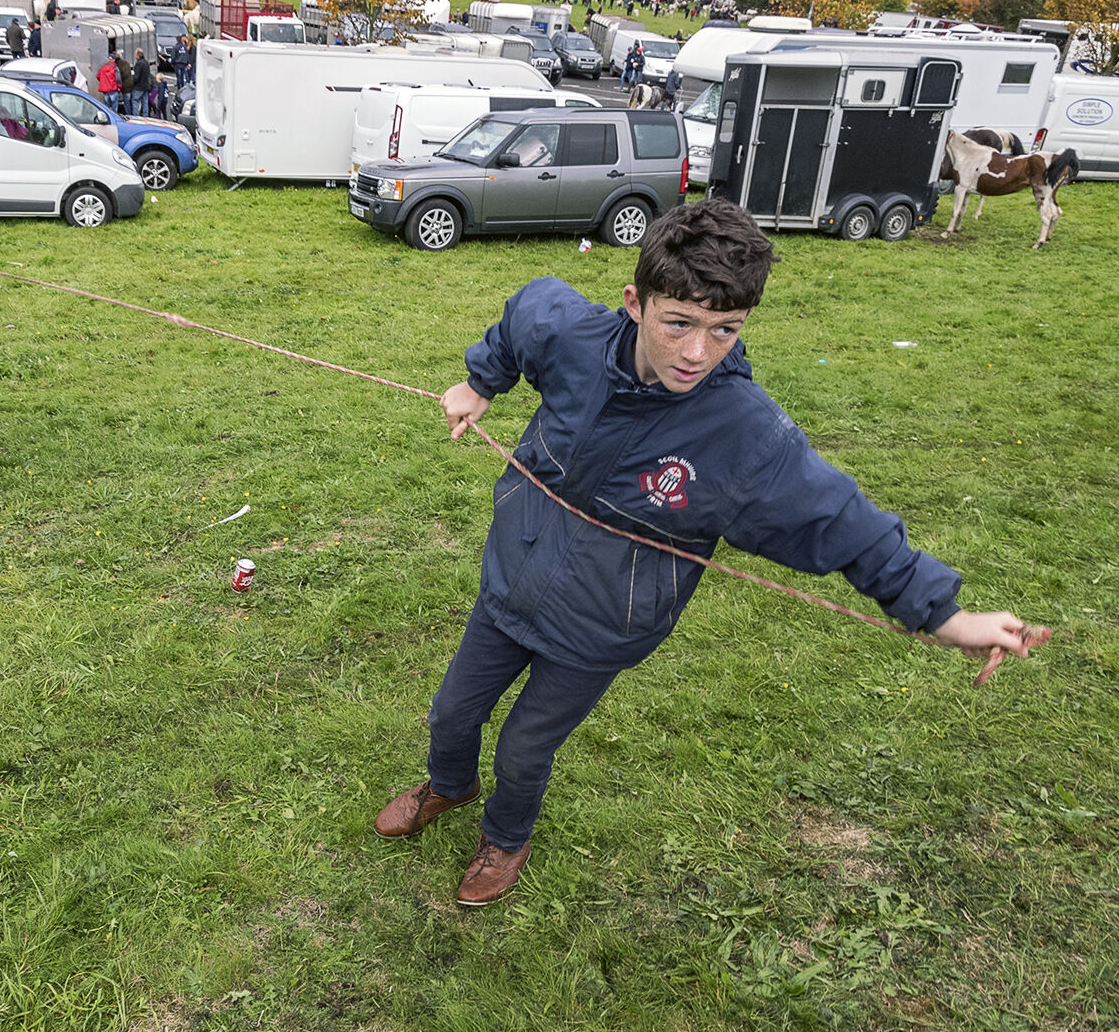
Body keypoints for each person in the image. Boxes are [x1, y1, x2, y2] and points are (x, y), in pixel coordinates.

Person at [371, 198, 1039, 907]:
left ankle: (505, 838)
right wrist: (480, 383)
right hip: (512, 580)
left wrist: (946, 614)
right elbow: (524, 314)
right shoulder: (570, 335)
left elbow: (842, 519)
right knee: (450, 712)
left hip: (602, 625)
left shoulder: (746, 433)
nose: (698, 352)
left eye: (726, 330)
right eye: (679, 323)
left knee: (524, 749)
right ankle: (450, 785)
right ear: (635, 301)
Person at [129, 47, 152, 116]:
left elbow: (137, 77)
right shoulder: (146, 62)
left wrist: (132, 82)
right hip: (146, 86)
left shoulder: (139, 64)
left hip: (139, 86)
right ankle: (145, 116)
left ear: (138, 55)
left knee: (135, 101)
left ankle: (136, 116)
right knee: (145, 102)